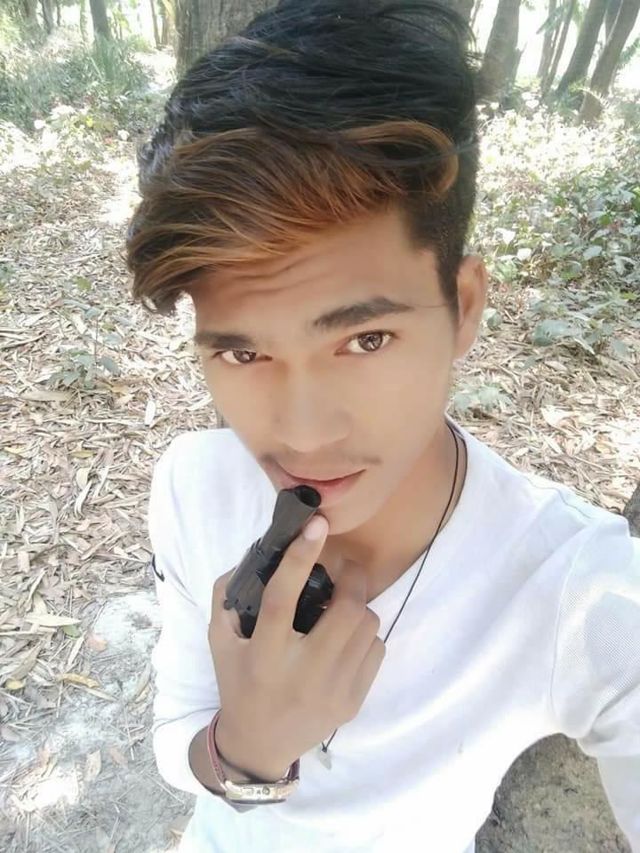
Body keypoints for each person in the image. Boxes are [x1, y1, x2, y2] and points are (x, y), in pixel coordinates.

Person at [125, 2, 640, 851]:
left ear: (463, 305)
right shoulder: (195, 483)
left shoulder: (572, 587)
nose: (301, 434)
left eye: (364, 338)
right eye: (244, 353)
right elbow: (176, 732)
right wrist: (245, 748)